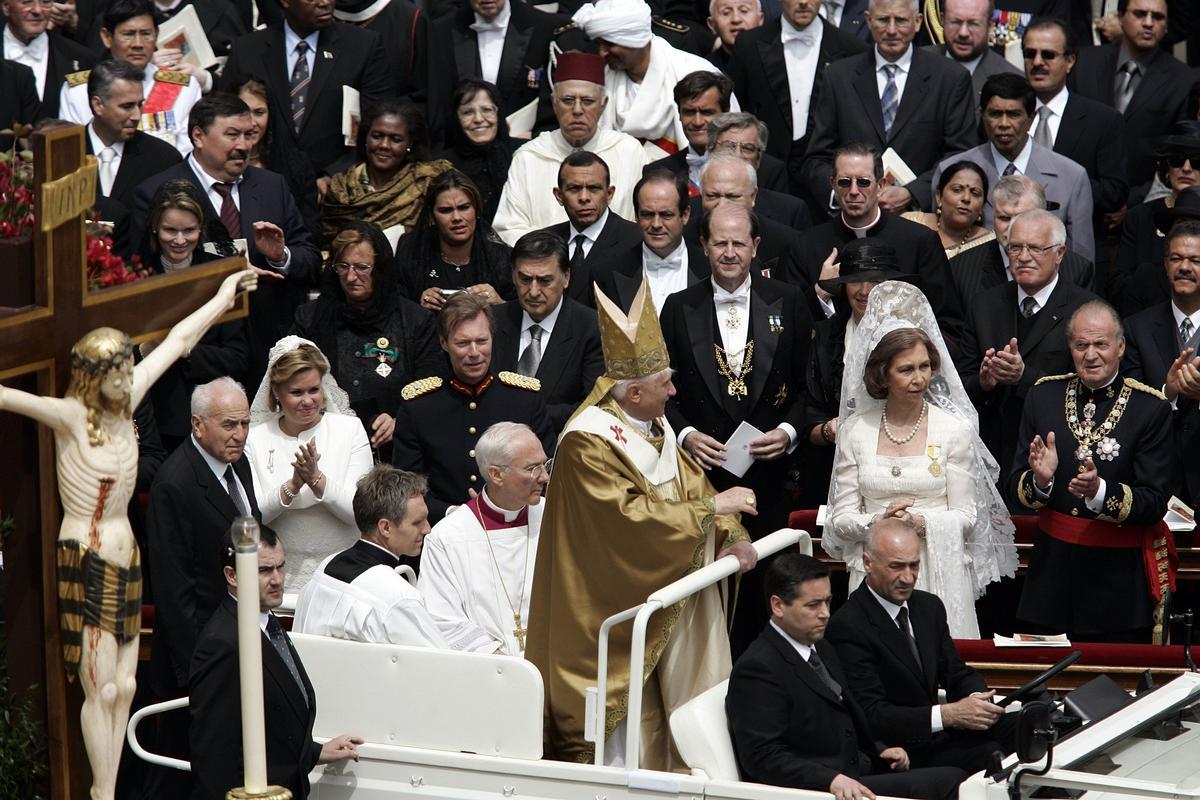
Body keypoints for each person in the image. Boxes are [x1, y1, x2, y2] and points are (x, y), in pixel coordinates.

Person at [0, 270, 256, 800]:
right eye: (117, 374)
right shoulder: (70, 416)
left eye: (127, 371)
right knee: (105, 687)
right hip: (87, 550)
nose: (127, 380)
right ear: (96, 377)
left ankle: (109, 788)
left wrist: (222, 297)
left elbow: (179, 340)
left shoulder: (130, 395)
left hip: (126, 550)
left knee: (129, 686)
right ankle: (103, 793)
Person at [526, 274, 759, 769]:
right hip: (612, 600)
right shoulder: (587, 442)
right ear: (631, 395)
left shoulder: (653, 422)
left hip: (670, 589)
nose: (674, 392)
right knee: (631, 726)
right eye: (664, 383)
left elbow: (690, 485)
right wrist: (709, 513)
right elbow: (623, 522)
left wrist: (731, 534)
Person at [825, 281, 1017, 639]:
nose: (919, 379)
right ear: (882, 374)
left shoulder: (953, 429)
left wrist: (919, 522)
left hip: (937, 570)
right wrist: (881, 523)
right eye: (906, 369)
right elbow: (841, 520)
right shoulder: (855, 430)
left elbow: (967, 517)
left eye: (925, 366)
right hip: (875, 572)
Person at [662, 203, 813, 654]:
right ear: (703, 247)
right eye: (720, 243)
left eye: (738, 243)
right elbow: (660, 394)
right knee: (708, 602)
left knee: (768, 599)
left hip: (771, 481)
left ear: (756, 247)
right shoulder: (676, 307)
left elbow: (811, 388)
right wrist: (685, 435)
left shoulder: (790, 300)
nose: (729, 252)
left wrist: (788, 431)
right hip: (701, 483)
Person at [726, 553, 966, 799]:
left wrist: (878, 750)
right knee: (949, 782)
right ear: (778, 605)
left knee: (966, 765)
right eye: (813, 605)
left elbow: (844, 714)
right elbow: (763, 757)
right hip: (819, 789)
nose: (825, 613)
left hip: (859, 768)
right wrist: (831, 780)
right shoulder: (757, 669)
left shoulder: (820, 646)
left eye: (828, 602)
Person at [131, 91, 324, 388]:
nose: (244, 146)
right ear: (198, 135)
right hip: (196, 357)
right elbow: (142, 279)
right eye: (232, 135)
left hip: (267, 350)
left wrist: (280, 256)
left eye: (249, 135)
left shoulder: (273, 186)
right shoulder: (155, 191)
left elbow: (310, 260)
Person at [1011, 301, 1175, 642]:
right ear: (1070, 347)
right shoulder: (1043, 396)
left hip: (1116, 587)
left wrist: (1099, 491)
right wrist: (1041, 482)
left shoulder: (1150, 408)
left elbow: (1154, 500)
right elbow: (1013, 483)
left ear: (1120, 346)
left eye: (1100, 344)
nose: (1090, 355)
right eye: (1081, 345)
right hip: (1049, 580)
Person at [826, 519, 1016, 775]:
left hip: (942, 735)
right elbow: (872, 715)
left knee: (1025, 726)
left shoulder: (928, 607)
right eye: (896, 566)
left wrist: (975, 700)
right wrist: (948, 715)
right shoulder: (848, 626)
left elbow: (956, 672)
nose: (908, 577)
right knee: (989, 754)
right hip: (901, 750)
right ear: (868, 562)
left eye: (914, 565)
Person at [189, 524, 363, 800]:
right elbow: (213, 756)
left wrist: (314, 752)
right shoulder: (222, 644)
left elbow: (275, 720)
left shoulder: (269, 624)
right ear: (231, 575)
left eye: (281, 567)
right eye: (264, 571)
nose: (278, 579)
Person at [391, 292, 555, 524]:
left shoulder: (524, 399)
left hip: (518, 527)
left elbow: (548, 474)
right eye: (463, 343)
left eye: (481, 341)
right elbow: (406, 487)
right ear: (444, 343)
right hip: (445, 530)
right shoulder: (419, 405)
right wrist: (452, 514)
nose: (474, 352)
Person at [958, 208, 1097, 481]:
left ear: (1059, 254)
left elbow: (1091, 390)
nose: (1023, 257)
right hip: (990, 451)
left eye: (1035, 248)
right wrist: (984, 382)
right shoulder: (984, 304)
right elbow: (959, 383)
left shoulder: (1085, 311)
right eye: (1015, 248)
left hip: (1055, 454)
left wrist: (1024, 377)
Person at [802, 0, 977, 213]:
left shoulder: (950, 78)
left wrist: (913, 193)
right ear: (868, 20)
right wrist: (846, 193)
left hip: (920, 222)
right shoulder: (838, 77)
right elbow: (816, 158)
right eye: (883, 20)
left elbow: (960, 154)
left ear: (917, 22)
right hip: (850, 221)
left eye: (901, 20)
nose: (892, 30)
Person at [291, 221, 441, 452]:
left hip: (399, 450)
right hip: (327, 445)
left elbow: (431, 391)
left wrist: (399, 421)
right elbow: (292, 384)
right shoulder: (310, 319)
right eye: (343, 266)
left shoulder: (416, 321)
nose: (351, 277)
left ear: (380, 269)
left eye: (361, 267)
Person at [244, 337, 373, 593]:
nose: (308, 401)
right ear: (276, 392)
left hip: (343, 571)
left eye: (314, 390)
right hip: (280, 575)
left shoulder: (349, 430)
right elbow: (253, 515)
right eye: (296, 392)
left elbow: (360, 513)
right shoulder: (255, 438)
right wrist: (292, 485)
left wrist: (316, 480)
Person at [796, 144, 962, 339]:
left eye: (864, 182)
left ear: (881, 185)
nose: (854, 191)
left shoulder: (920, 241)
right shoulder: (807, 244)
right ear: (833, 184)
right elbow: (790, 321)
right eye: (844, 182)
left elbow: (949, 323)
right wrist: (820, 291)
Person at [930, 73, 1094, 262]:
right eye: (995, 114)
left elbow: (1082, 260)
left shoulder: (1071, 176)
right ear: (982, 115)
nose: (1004, 124)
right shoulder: (952, 171)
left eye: (1014, 114)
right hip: (971, 283)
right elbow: (940, 235)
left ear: (1031, 118)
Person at [217, 0, 391, 178]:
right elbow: (223, 118)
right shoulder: (247, 50)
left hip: (333, 189)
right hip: (263, 183)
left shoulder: (363, 46)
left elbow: (374, 125)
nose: (325, 2)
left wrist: (335, 176)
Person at [492, 50, 649, 244]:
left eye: (587, 101)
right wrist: (556, 256)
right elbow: (509, 227)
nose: (577, 110)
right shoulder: (528, 156)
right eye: (567, 100)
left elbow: (644, 220)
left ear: (603, 104)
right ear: (554, 103)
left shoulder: (629, 151)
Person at [140, 180, 250, 452]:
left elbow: (238, 357)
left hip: (207, 417)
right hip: (148, 411)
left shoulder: (221, 276)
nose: (179, 240)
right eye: (170, 230)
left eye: (189, 231)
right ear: (155, 227)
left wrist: (182, 349)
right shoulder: (135, 274)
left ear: (201, 230)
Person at [419, 422, 548, 655]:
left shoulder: (556, 517)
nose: (545, 477)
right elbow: (441, 619)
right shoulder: (448, 537)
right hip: (488, 672)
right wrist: (503, 666)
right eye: (532, 468)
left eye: (544, 465)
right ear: (497, 474)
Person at [294, 465, 448, 647]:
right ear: (385, 527)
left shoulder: (325, 567)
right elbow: (439, 663)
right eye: (417, 522)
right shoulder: (398, 596)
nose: (427, 529)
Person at [725, 0, 867, 198]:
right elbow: (735, 111)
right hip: (765, 179)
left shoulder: (851, 49)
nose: (803, 2)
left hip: (829, 184)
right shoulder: (749, 45)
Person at [1021, 17, 1127, 277]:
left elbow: (1114, 192)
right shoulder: (1006, 116)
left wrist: (1059, 181)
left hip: (1077, 255)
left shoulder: (1102, 119)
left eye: (1048, 55)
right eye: (1030, 54)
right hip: (1016, 257)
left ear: (1070, 61)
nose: (1037, 62)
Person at [800, 240, 904, 505]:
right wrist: (829, 431)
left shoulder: (910, 337)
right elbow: (809, 414)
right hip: (833, 470)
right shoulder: (824, 337)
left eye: (875, 281)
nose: (865, 290)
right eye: (855, 280)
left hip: (898, 469)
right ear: (843, 285)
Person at [572, 0, 733, 158]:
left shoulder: (696, 72)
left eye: (609, 44)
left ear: (635, 39)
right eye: (599, 44)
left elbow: (730, 136)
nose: (602, 53)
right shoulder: (601, 81)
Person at [491, 231, 605, 435]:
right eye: (525, 279)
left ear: (566, 277)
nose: (533, 291)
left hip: (558, 448)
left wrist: (524, 414)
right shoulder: (493, 321)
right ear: (513, 275)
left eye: (544, 281)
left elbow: (591, 406)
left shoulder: (591, 328)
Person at [1071, 0, 1192, 190]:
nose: (1149, 23)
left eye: (1158, 17)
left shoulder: (1184, 81)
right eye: (1140, 14)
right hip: (1080, 193)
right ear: (1120, 17)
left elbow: (1176, 155)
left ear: (1167, 25)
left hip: (1143, 204)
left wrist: (1133, 202)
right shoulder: (1084, 63)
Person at [1123, 220, 1200, 507]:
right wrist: (1167, 392)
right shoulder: (1136, 328)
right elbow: (1127, 404)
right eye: (1177, 259)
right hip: (1156, 477)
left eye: (1195, 260)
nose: (1184, 267)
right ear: (1165, 265)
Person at [60, 0, 202, 154]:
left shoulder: (184, 88)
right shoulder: (79, 90)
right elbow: (72, 152)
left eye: (146, 34)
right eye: (128, 35)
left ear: (156, 35)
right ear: (107, 37)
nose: (138, 44)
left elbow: (187, 153)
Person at [426, 0, 570, 138]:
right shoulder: (440, 31)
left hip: (524, 145)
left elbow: (556, 95)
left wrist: (536, 135)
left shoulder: (546, 26)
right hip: (463, 150)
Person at [321, 100, 454, 244]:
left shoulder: (427, 181)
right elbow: (329, 240)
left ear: (409, 143)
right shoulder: (340, 187)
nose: (384, 145)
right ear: (366, 137)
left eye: (396, 139)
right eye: (377, 136)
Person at [643, 70, 788, 194]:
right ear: (679, 115)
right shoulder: (658, 171)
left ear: (725, 112)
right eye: (689, 112)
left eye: (707, 112)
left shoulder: (768, 170)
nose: (697, 122)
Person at [1109, 125, 1200, 315]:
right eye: (1176, 160)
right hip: (1144, 316)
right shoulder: (1139, 216)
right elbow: (1119, 285)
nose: (1186, 168)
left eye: (1197, 161)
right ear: (1166, 169)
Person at [686, 154, 806, 298]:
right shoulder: (683, 239)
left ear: (753, 196)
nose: (722, 205)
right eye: (712, 196)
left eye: (733, 196)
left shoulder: (786, 242)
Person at [394, 168, 514, 311]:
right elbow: (394, 310)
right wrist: (417, 309)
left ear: (476, 210)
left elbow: (521, 318)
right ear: (432, 215)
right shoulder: (410, 252)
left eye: (464, 208)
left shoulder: (502, 258)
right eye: (446, 210)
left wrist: (499, 304)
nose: (457, 218)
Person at [543, 151, 643, 308]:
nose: (584, 197)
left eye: (594, 188)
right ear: (559, 195)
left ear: (609, 194)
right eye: (574, 188)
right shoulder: (544, 242)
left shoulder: (636, 241)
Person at [84, 59, 181, 220]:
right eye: (127, 106)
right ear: (98, 105)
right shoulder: (62, 153)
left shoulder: (163, 159)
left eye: (140, 105)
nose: (137, 115)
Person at [605, 169, 710, 312]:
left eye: (666, 215)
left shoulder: (710, 269)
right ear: (636, 215)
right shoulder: (608, 273)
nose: (656, 224)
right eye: (647, 215)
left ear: (685, 215)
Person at [231, 76, 321, 237]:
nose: (252, 123)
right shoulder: (217, 162)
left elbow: (309, 231)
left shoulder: (296, 165)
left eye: (259, 113)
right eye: (243, 112)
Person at [707, 112, 812, 229]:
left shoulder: (791, 212)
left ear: (758, 159)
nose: (737, 154)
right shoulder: (690, 209)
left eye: (747, 148)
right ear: (711, 152)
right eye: (729, 146)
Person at [438, 79, 520, 224]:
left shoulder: (523, 154)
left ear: (499, 114)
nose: (478, 119)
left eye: (487, 110)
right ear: (456, 118)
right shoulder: (441, 166)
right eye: (467, 112)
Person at [2, 0, 96, 119]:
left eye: (45, 2)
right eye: (27, 2)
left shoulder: (82, 58)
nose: (37, 10)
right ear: (6, 7)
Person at [920, 0, 1020, 102]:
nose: (963, 33)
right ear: (942, 20)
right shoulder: (915, 62)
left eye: (973, 24)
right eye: (956, 22)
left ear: (990, 26)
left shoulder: (1013, 81)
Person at [902, 160, 995, 262]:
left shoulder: (988, 243)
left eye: (975, 193)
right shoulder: (911, 223)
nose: (966, 198)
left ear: (982, 206)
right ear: (939, 197)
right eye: (957, 190)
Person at [706, 0, 764, 71]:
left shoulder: (777, 61)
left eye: (744, 11)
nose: (736, 19)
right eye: (726, 13)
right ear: (712, 24)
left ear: (760, 19)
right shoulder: (705, 68)